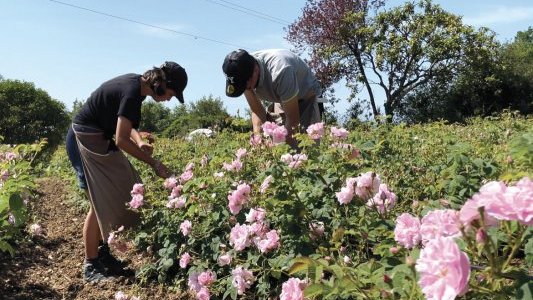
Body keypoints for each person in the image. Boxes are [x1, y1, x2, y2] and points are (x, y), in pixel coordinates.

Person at [66, 61, 187, 282]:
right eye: (172, 93)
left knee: (117, 192)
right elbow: (121, 140)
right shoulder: (132, 92)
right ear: (162, 84)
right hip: (83, 141)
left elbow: (125, 125)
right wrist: (154, 164)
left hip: (95, 138)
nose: (170, 99)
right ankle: (91, 265)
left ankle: (103, 256)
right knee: (98, 202)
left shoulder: (136, 86)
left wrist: (140, 141)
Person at [222, 49, 323, 148]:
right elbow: (257, 110)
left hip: (307, 98)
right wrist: (258, 138)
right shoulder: (241, 70)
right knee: (280, 147)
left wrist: (275, 146)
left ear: (255, 70)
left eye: (246, 87)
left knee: (305, 148)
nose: (247, 89)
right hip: (283, 98)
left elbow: (293, 120)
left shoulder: (280, 70)